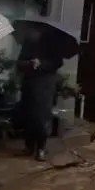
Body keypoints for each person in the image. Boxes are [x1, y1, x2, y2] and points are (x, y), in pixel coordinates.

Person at [17, 28, 63, 162]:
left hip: (45, 87)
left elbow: (57, 63)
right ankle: (29, 146)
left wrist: (41, 63)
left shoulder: (54, 45)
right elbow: (19, 63)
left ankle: (41, 148)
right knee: (28, 116)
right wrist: (29, 63)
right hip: (29, 85)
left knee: (42, 118)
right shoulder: (28, 43)